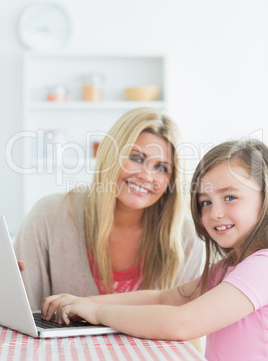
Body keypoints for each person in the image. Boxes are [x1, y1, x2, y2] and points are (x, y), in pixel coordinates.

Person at [42, 139, 268, 360]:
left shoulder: (262, 266)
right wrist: (86, 302)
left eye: (230, 197)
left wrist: (97, 312)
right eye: (205, 202)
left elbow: (183, 322)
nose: (215, 213)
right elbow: (164, 298)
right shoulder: (228, 268)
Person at [14, 107, 204, 311]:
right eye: (136, 158)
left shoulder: (186, 238)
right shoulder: (49, 216)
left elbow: (186, 328)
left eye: (161, 168)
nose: (146, 176)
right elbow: (20, 312)